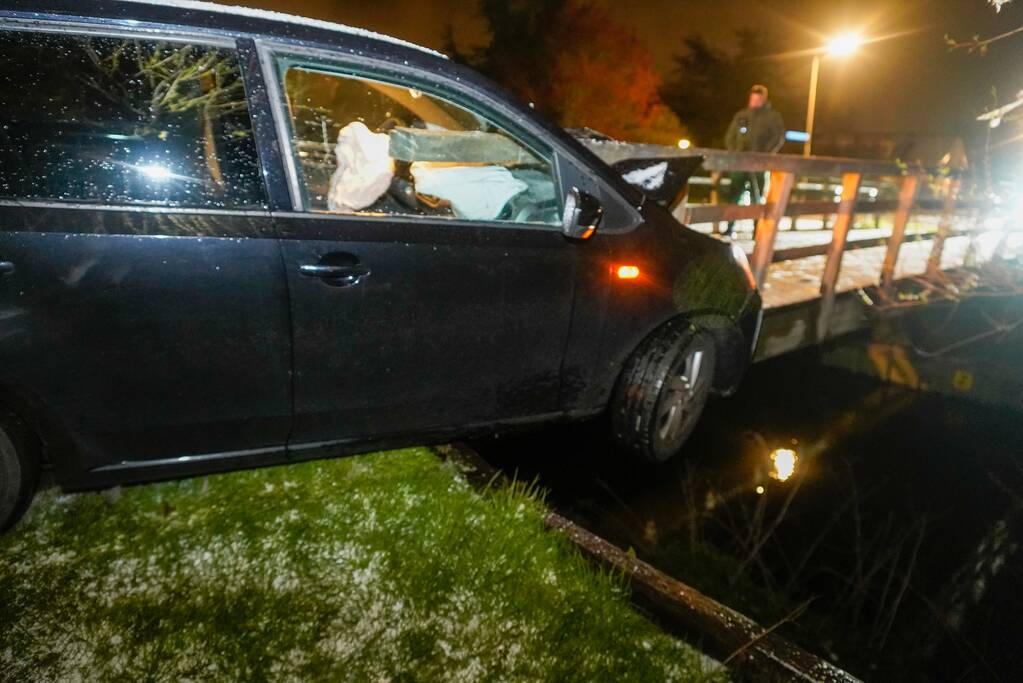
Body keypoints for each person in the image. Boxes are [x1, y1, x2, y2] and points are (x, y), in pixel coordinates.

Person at [722, 84, 785, 236]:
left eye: (758, 98)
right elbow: (730, 136)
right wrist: (735, 153)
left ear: (763, 99)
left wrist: (765, 154)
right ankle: (730, 226)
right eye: (753, 98)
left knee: (758, 196)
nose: (755, 101)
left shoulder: (772, 117)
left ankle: (757, 229)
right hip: (740, 163)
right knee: (735, 195)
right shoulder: (741, 115)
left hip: (760, 164)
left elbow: (778, 136)